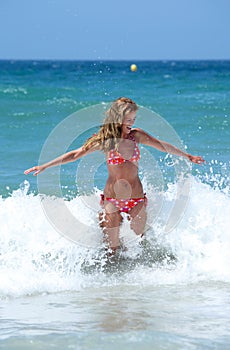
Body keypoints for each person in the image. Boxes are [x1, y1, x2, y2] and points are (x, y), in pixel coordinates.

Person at [24, 97, 204, 254]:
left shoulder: (136, 136)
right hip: (112, 199)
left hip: (136, 198)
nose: (131, 123)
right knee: (112, 249)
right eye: (128, 119)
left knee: (140, 242)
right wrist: (46, 165)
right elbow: (75, 154)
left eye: (133, 119)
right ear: (117, 118)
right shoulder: (105, 141)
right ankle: (110, 284)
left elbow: (161, 145)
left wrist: (187, 156)